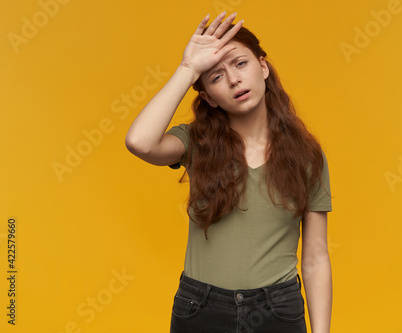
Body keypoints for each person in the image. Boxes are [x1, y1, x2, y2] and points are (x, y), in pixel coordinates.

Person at [125, 11, 333, 333]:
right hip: (201, 308)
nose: (234, 79)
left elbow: (316, 257)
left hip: (277, 310)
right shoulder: (195, 142)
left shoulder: (307, 155)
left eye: (240, 64)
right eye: (217, 76)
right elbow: (140, 142)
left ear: (262, 67)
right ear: (208, 97)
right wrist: (189, 68)